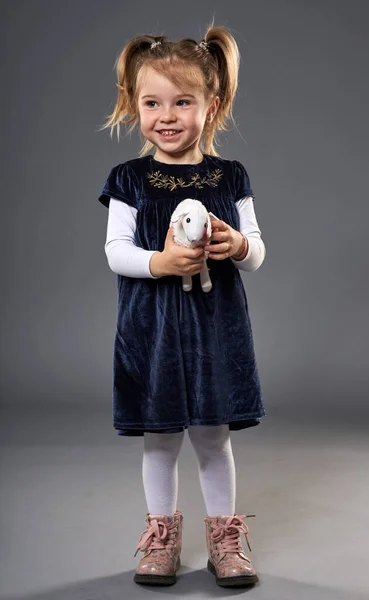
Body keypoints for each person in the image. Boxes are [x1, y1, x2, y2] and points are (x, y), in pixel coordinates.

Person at [97, 24, 267, 588]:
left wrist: (237, 245)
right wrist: (161, 263)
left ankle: (224, 536)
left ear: (211, 105)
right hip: (153, 330)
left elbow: (257, 252)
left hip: (214, 328)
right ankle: (162, 537)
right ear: (134, 106)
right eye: (152, 103)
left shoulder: (230, 176)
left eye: (182, 102)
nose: (166, 115)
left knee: (213, 438)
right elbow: (115, 250)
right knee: (160, 437)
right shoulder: (130, 179)